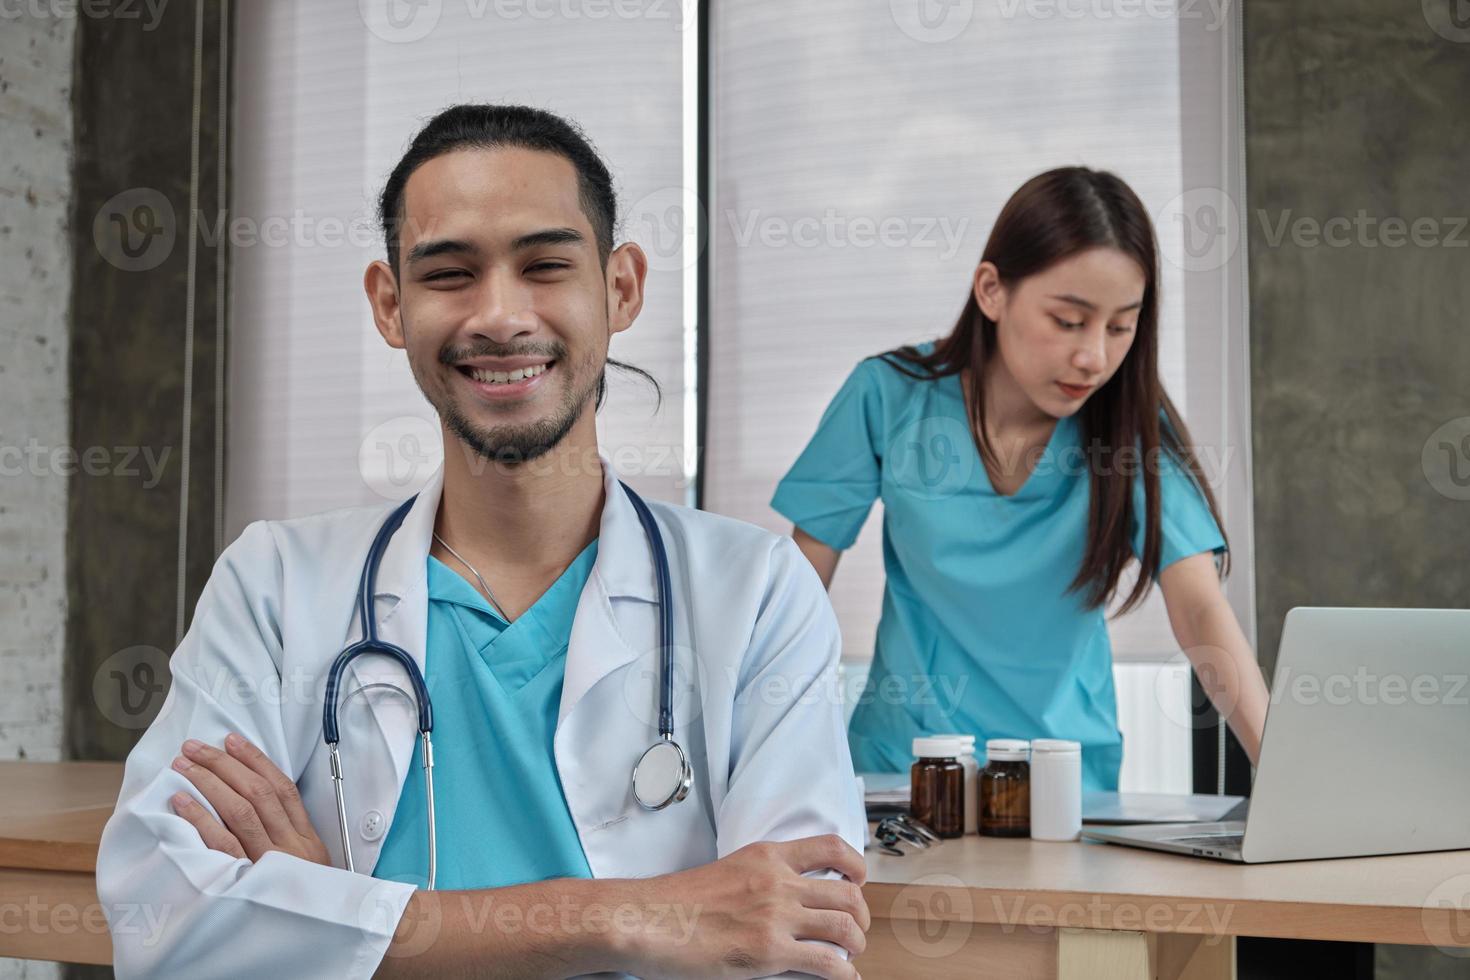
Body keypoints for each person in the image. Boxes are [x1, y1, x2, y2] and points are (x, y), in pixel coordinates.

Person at [98, 104, 868, 979]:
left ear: (621, 288)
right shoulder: (275, 586)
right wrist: (635, 917)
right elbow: (164, 920)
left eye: (545, 265)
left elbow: (799, 944)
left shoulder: (757, 593)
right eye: (450, 274)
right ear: (390, 305)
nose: (500, 316)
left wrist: (339, 924)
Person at [772, 167, 1269, 793]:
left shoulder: (1131, 425)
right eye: (1068, 320)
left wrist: (1280, 769)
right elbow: (798, 594)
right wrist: (763, 765)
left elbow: (1199, 605)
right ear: (991, 290)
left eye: (1120, 327)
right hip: (908, 769)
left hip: (1067, 778)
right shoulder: (886, 395)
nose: (1094, 357)